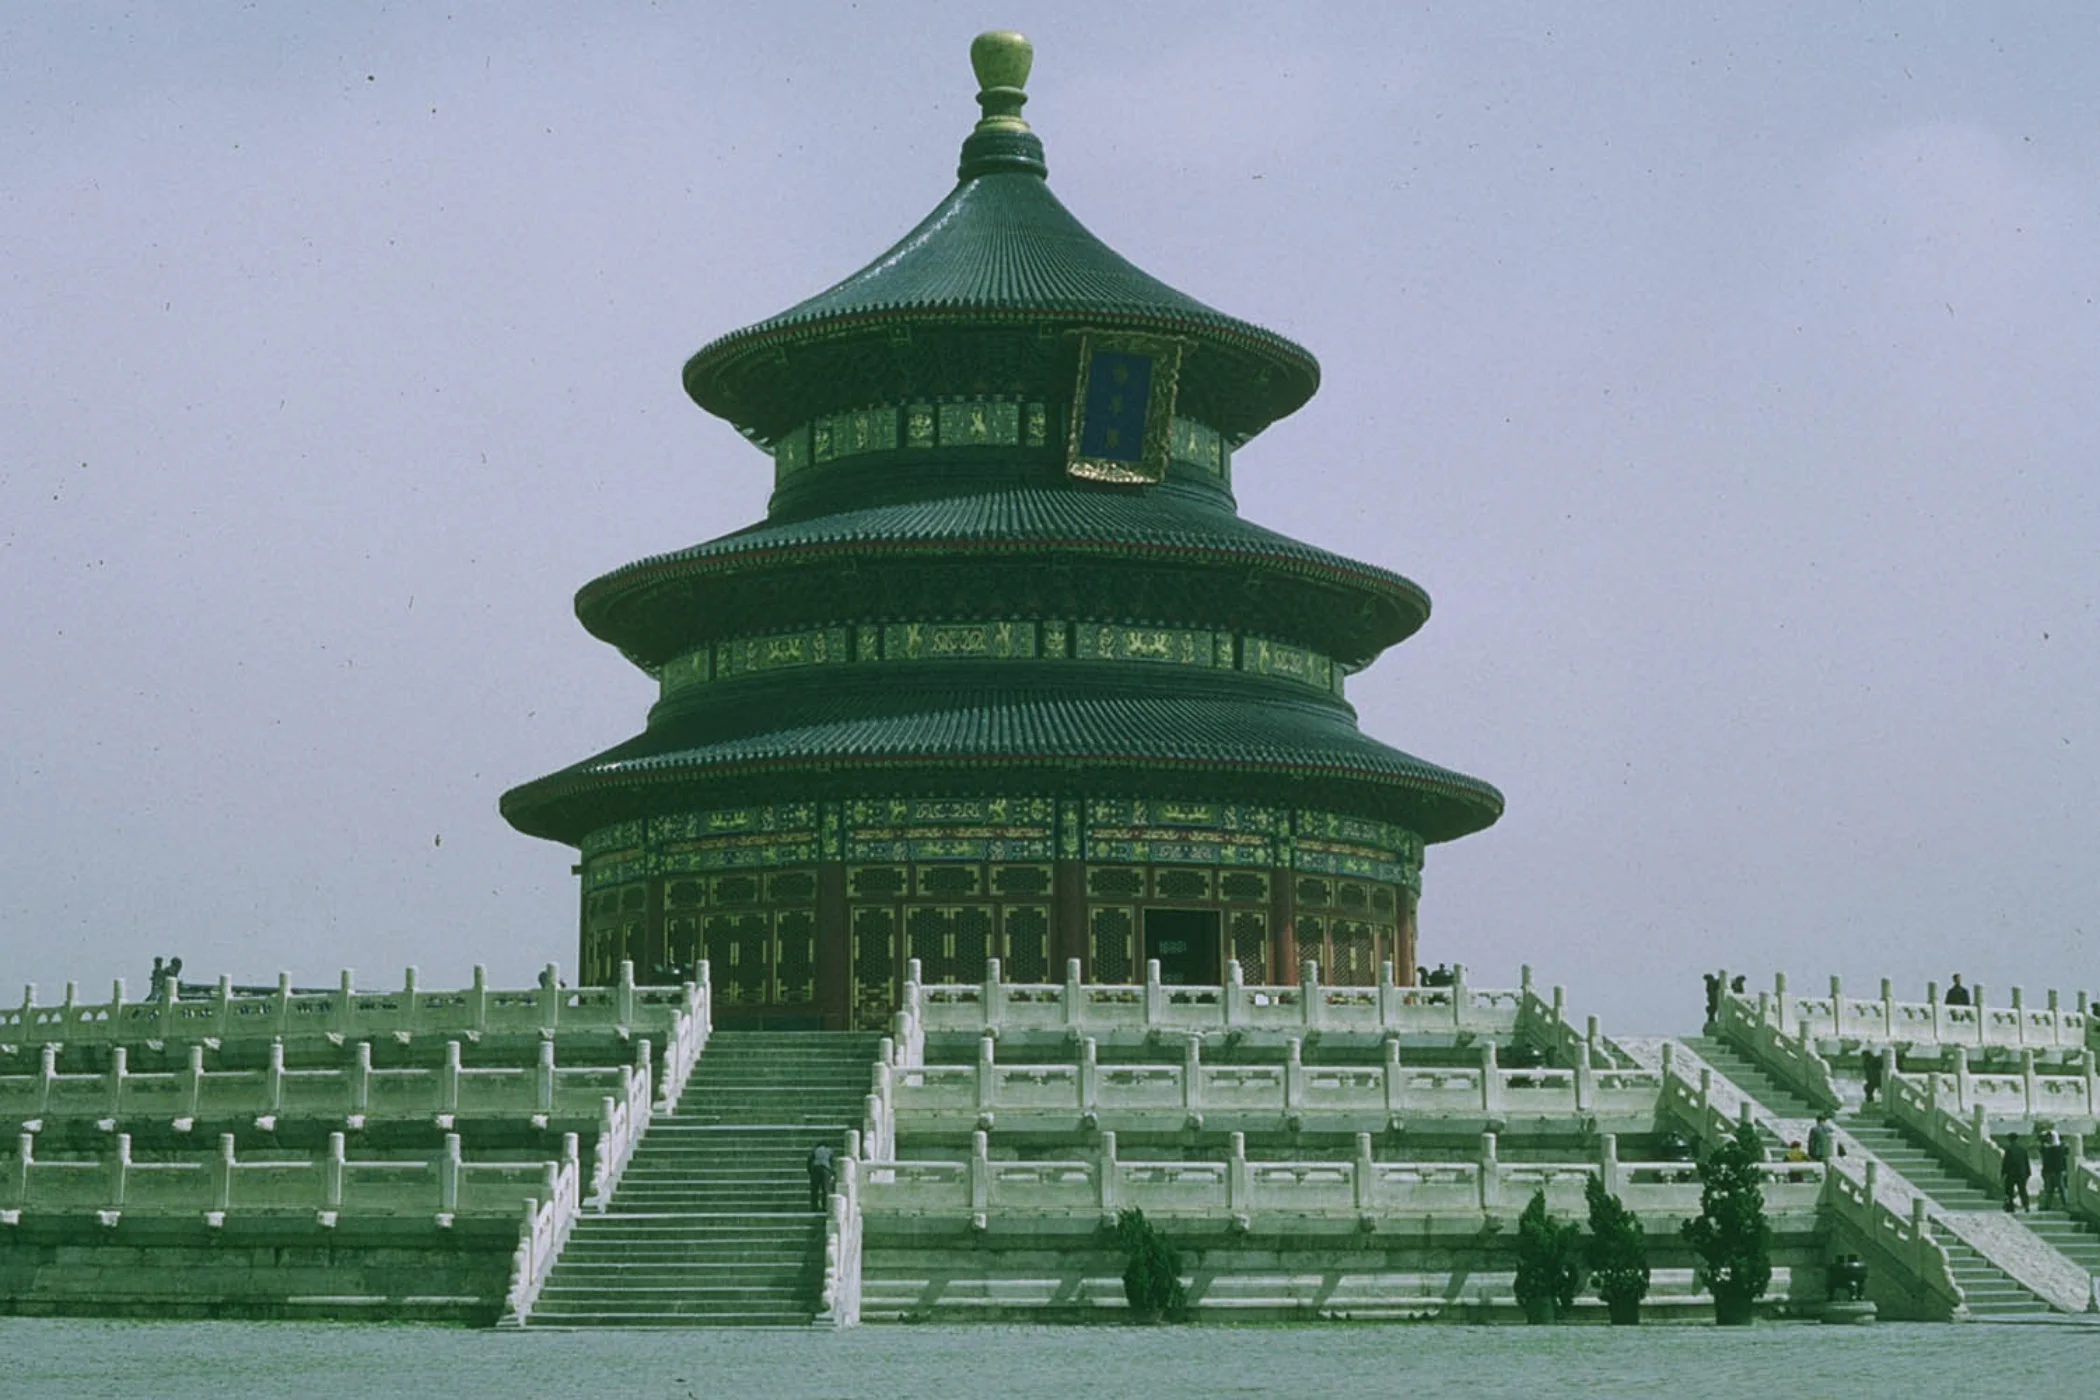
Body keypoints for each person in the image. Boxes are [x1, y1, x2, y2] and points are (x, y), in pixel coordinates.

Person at [2000, 1132, 2032, 1212]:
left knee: (2009, 1191)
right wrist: (2028, 1172)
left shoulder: (2009, 1149)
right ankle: (2026, 1205)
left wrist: (2003, 1173)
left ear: (2010, 1139)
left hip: (2011, 1173)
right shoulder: (2023, 1149)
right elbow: (2026, 1162)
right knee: (2022, 1190)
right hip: (2022, 1173)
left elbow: (2006, 1163)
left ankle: (2010, 1206)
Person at [2039, 1128, 2069, 1210]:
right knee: (2049, 1190)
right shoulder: (2046, 1148)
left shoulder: (2061, 1147)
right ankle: (2047, 1206)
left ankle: (2066, 1205)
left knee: (2061, 1189)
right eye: (2048, 1137)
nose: (2048, 1139)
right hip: (2048, 1172)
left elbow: (2063, 1160)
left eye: (2050, 1137)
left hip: (2058, 1172)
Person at [806, 1141, 837, 1212]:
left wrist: (810, 1172)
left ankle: (814, 1206)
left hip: (815, 1169)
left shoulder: (815, 1150)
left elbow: (809, 1161)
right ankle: (825, 1207)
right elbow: (832, 1162)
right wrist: (832, 1174)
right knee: (825, 1190)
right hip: (825, 1170)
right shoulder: (829, 1150)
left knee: (814, 1190)